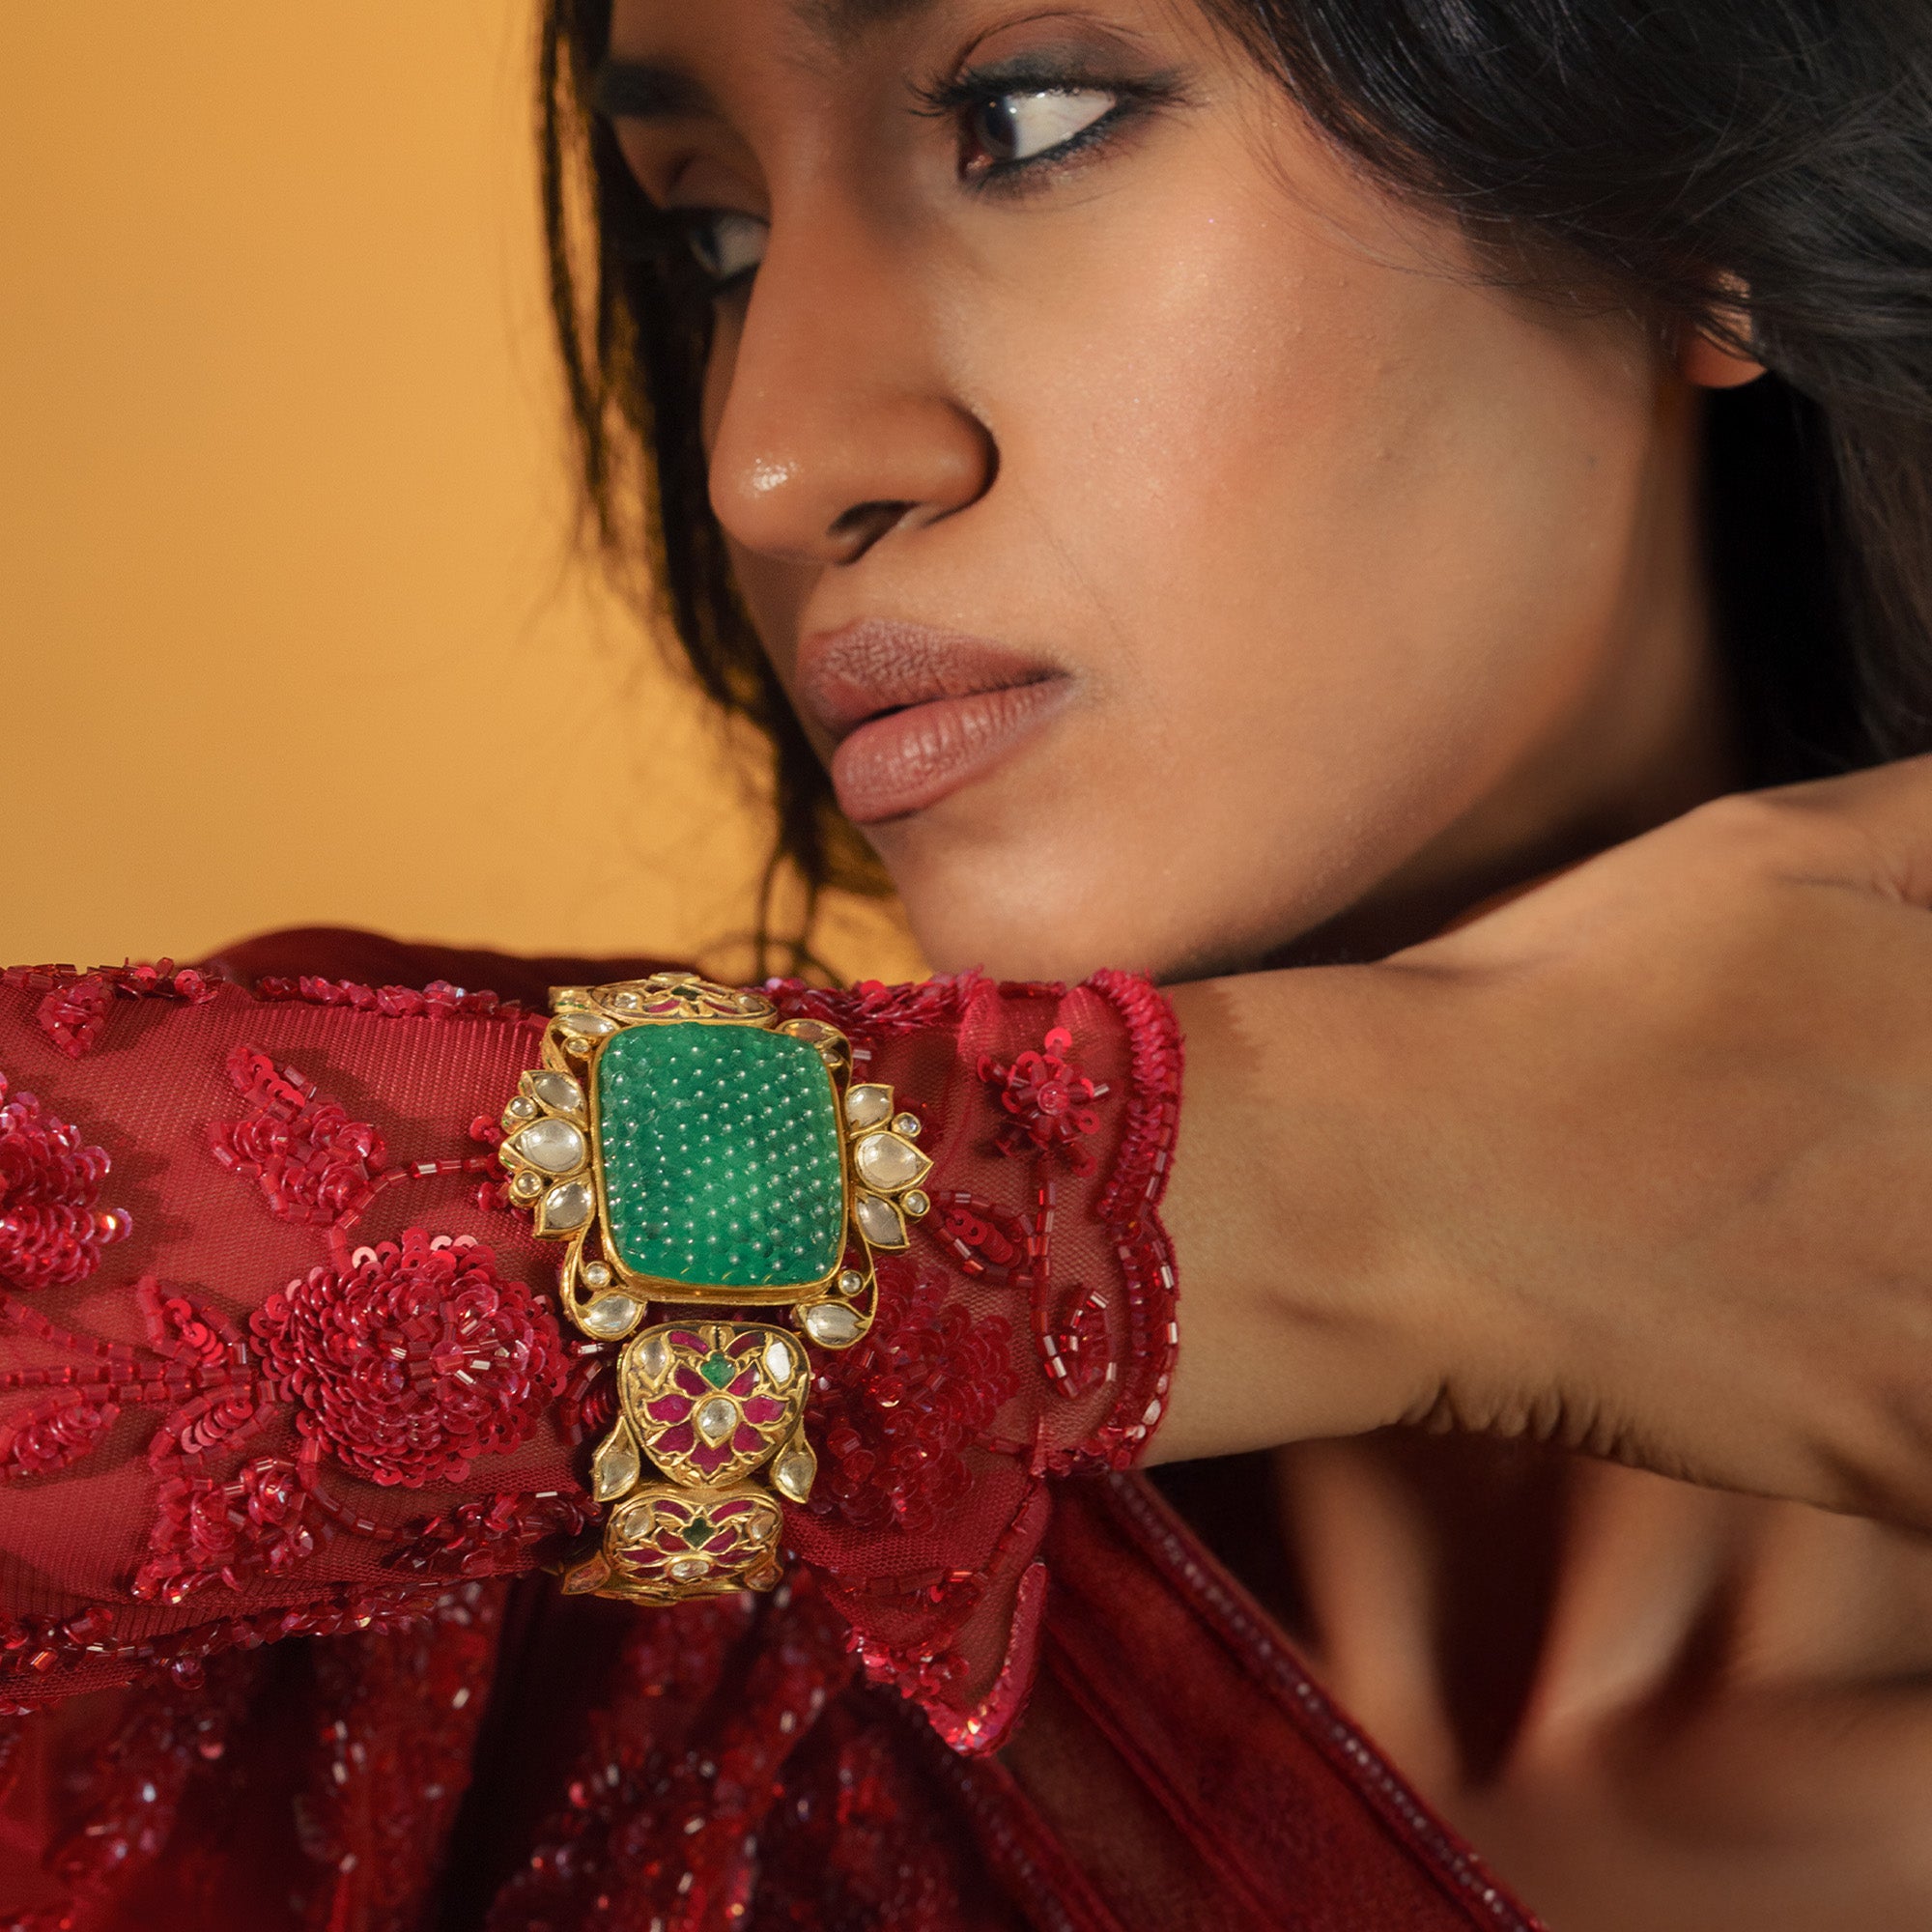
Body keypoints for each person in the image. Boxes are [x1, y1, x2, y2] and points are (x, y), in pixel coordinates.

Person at [2, 0, 1930, 1925]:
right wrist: (1335, 1184)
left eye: (1029, 115)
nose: (770, 458)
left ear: (1704, 203)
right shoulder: (460, 1405)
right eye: (714, 239)